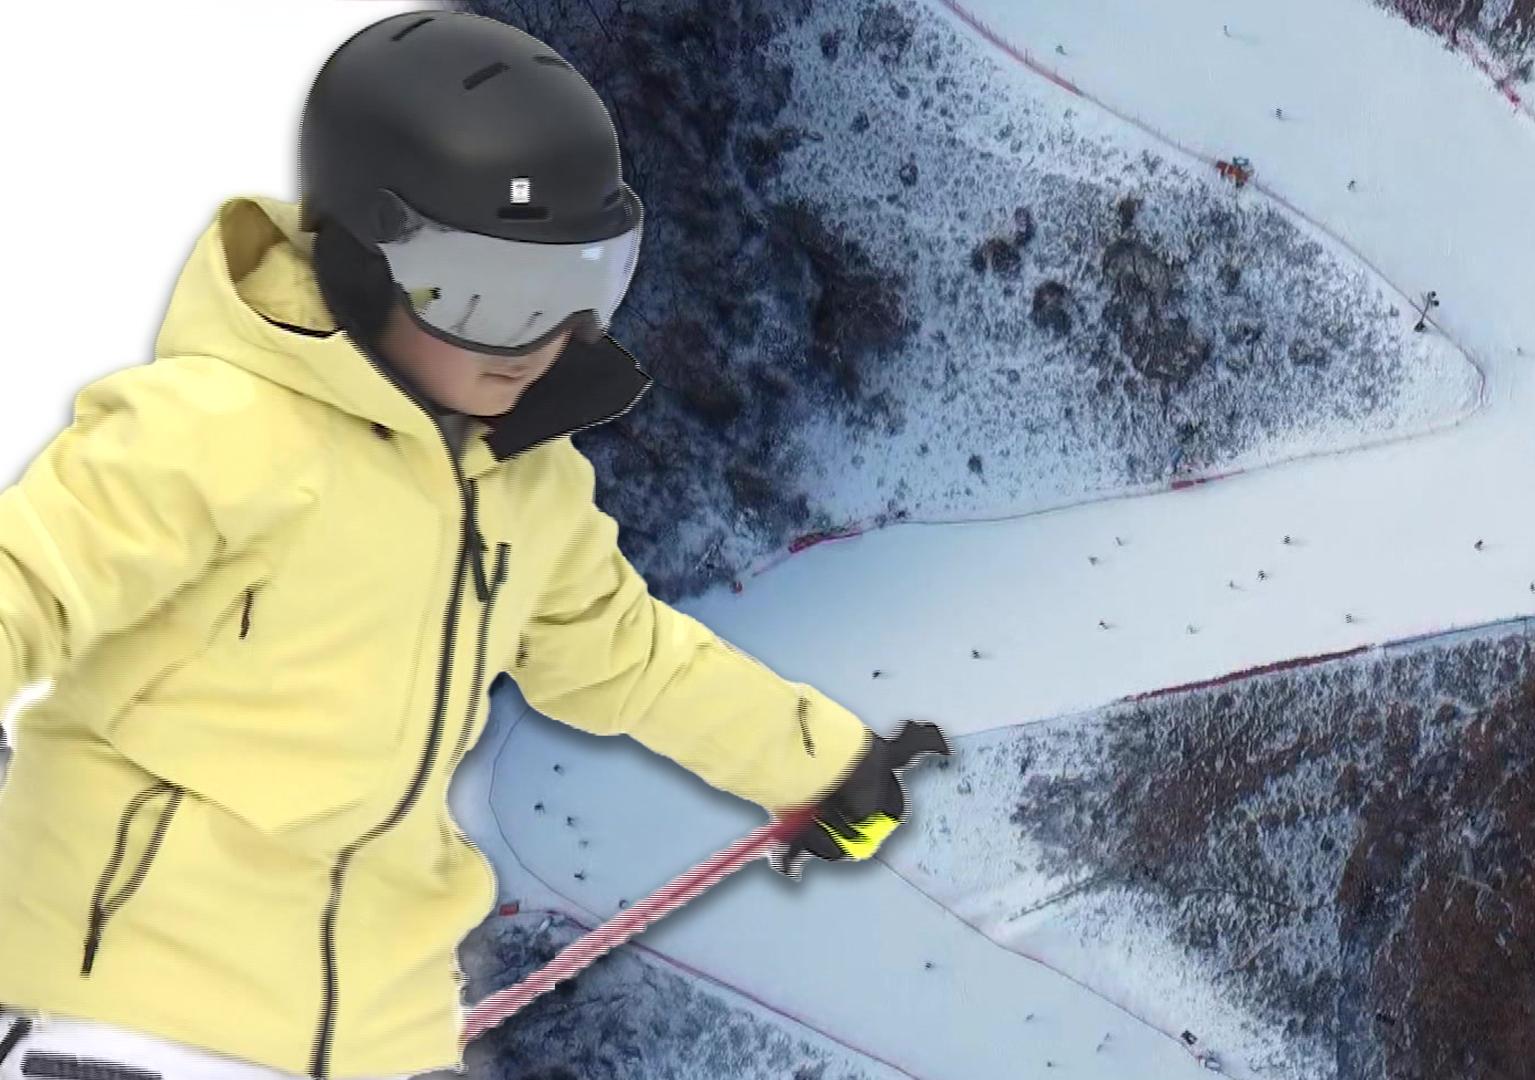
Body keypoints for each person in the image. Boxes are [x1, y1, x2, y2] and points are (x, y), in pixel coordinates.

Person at [0, 11, 937, 1080]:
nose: (541, 342)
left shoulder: (523, 485)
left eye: (584, 285)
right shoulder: (215, 429)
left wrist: (824, 764)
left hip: (381, 1041)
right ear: (362, 257)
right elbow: (23, 583)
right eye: (490, 294)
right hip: (137, 1014)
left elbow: (623, 657)